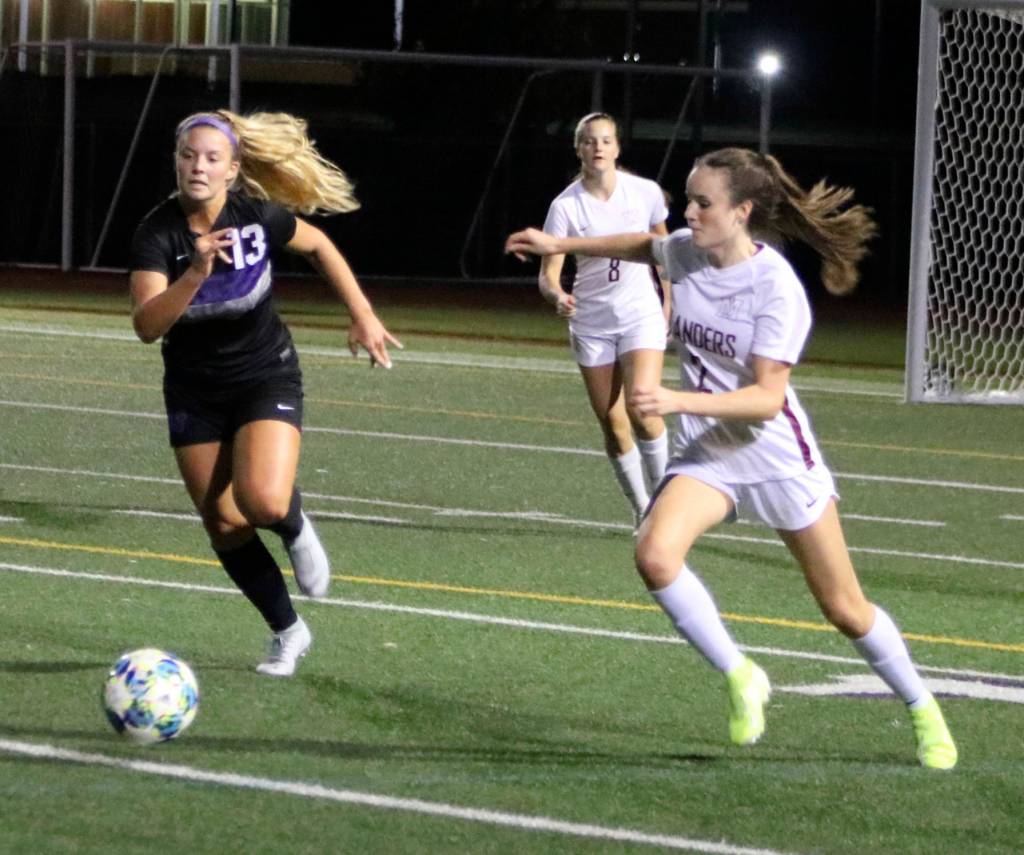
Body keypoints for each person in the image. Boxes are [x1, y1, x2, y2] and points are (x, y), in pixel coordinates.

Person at [505, 146, 957, 769]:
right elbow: (643, 243)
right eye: (688, 198)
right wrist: (557, 244)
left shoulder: (775, 289)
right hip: (711, 452)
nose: (688, 211)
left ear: (742, 211)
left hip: (774, 455)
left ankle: (920, 705)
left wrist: (672, 397)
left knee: (843, 608)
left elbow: (768, 401)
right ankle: (743, 672)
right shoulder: (687, 251)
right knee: (655, 555)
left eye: (703, 202)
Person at [128, 110, 402, 677]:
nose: (197, 166)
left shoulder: (256, 216)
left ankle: (296, 525)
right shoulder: (157, 233)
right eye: (188, 155)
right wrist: (196, 273)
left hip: (264, 373)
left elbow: (321, 245)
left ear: (232, 169)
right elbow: (147, 324)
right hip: (194, 391)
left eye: (210, 158)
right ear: (175, 162)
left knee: (265, 503)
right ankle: (288, 631)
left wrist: (363, 316)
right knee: (225, 524)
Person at [539, 112, 671, 529]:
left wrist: (670, 303)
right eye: (590, 141)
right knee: (613, 425)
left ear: (617, 148)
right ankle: (641, 507)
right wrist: (558, 296)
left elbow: (666, 253)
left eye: (607, 140)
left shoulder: (644, 193)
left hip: (639, 314)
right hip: (593, 322)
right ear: (578, 149)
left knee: (643, 406)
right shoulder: (565, 206)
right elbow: (548, 275)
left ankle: (669, 503)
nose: (599, 147)